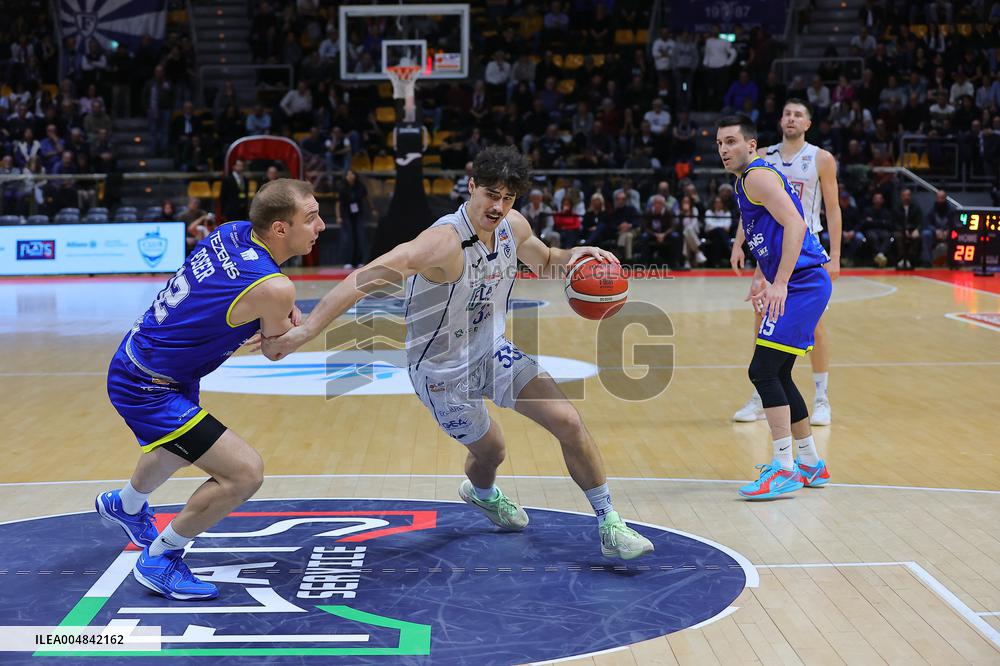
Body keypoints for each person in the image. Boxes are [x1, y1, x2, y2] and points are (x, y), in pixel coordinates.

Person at [261, 146, 653, 560]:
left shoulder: (512, 227)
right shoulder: (442, 243)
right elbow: (365, 278)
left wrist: (577, 255)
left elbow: (548, 261)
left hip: (493, 351)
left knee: (569, 421)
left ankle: (610, 523)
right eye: (491, 194)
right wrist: (307, 330)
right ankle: (482, 493)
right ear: (471, 187)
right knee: (492, 451)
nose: (498, 206)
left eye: (507, 198)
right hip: (442, 373)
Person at [96, 179, 325, 599]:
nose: (321, 225)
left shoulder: (232, 231)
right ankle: (161, 558)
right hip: (148, 385)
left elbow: (232, 298)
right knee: (244, 472)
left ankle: (124, 505)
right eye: (310, 218)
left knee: (176, 448)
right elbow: (274, 350)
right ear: (278, 229)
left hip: (145, 360)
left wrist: (269, 313)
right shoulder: (275, 287)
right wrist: (307, 325)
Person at [717, 116, 832, 499]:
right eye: (719, 144)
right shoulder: (746, 180)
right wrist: (763, 276)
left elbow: (797, 226)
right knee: (778, 373)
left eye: (731, 141)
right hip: (798, 281)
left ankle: (783, 468)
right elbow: (769, 233)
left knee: (762, 370)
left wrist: (780, 282)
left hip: (803, 282)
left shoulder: (757, 177)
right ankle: (811, 462)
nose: (723, 149)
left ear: (752, 145)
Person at [731, 99, 841, 427]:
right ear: (780, 120)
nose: (791, 119)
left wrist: (835, 256)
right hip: (773, 252)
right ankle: (762, 395)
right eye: (787, 113)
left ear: (808, 124)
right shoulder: (762, 156)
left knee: (814, 327)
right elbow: (751, 209)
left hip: (807, 250)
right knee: (762, 317)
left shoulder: (821, 158)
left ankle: (821, 397)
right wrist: (739, 243)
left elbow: (833, 209)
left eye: (798, 115)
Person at [336, 169, 369, 268]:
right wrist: (338, 216)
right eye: (348, 174)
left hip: (358, 215)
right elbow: (338, 203)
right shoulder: (342, 188)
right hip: (346, 215)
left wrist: (373, 209)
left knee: (360, 237)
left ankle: (359, 261)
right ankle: (348, 261)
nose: (350, 176)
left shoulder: (360, 187)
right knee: (348, 238)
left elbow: (366, 199)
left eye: (352, 174)